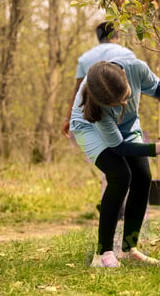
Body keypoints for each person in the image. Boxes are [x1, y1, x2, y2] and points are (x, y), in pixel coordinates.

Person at [70, 59, 160, 267]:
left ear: (125, 76)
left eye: (124, 98)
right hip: (88, 127)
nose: (124, 104)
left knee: (142, 177)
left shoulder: (136, 67)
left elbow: (156, 86)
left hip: (127, 125)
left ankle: (128, 248)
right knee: (120, 176)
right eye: (116, 104)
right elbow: (119, 148)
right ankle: (103, 253)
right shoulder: (96, 104)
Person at [62, 21, 136, 218]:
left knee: (109, 161)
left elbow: (78, 90)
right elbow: (133, 86)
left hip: (92, 115)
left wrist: (68, 117)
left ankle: (112, 204)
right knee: (125, 158)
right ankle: (122, 205)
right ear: (116, 36)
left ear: (98, 37)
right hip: (121, 111)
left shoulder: (86, 57)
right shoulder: (126, 54)